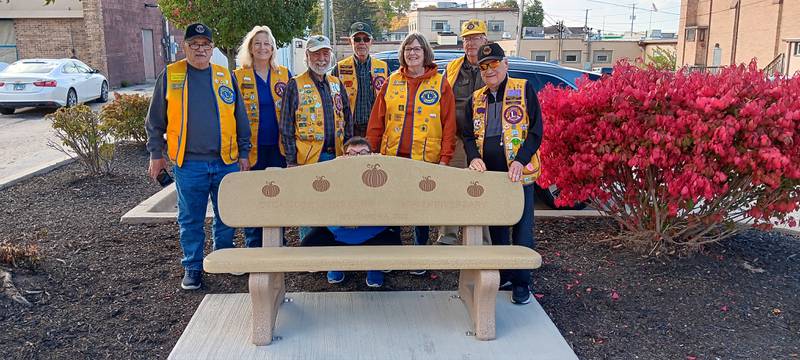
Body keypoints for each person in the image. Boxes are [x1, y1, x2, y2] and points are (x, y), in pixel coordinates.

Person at [145, 23, 252, 290]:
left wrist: (244, 152)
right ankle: (193, 266)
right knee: (190, 218)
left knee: (226, 215)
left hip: (225, 161)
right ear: (185, 47)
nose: (200, 49)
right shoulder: (171, 75)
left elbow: (240, 116)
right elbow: (155, 121)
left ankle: (223, 257)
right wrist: (155, 154)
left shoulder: (224, 75)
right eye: (195, 45)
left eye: (205, 45)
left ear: (212, 48)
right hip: (189, 163)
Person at [366, 32, 457, 271]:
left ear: (425, 52)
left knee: (421, 208)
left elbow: (449, 125)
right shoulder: (391, 80)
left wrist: (446, 158)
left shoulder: (440, 83)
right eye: (408, 50)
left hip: (425, 159)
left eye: (417, 49)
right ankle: (391, 253)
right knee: (390, 207)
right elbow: (377, 120)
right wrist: (369, 151)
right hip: (392, 157)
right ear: (402, 54)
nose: (412, 53)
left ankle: (419, 255)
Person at [463, 43, 543, 305]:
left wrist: (520, 160)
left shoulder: (523, 89)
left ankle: (521, 283)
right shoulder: (476, 98)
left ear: (505, 64)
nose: (489, 70)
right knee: (497, 229)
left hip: (518, 174)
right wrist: (474, 157)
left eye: (494, 64)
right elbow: (467, 136)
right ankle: (505, 274)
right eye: (484, 67)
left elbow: (536, 131)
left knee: (522, 229)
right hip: (492, 175)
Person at [300, 137, 401, 287]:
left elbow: (391, 208)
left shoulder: (381, 177)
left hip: (371, 231)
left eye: (363, 153)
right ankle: (336, 265)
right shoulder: (332, 176)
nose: (357, 158)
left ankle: (375, 268)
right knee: (309, 244)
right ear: (344, 156)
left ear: (372, 155)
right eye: (352, 154)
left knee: (392, 242)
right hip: (340, 230)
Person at [280, 35, 352, 241]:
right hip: (308, 158)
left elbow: (347, 117)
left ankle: (334, 248)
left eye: (325, 53)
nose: (321, 58)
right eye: (316, 53)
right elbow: (286, 125)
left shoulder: (337, 83)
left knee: (336, 204)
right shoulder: (295, 84)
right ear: (308, 56)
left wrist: (348, 150)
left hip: (337, 156)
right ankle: (309, 248)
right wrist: (291, 161)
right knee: (309, 204)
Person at [234, 25, 292, 248]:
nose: (262, 47)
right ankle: (253, 241)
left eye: (267, 43)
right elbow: (233, 116)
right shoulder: (238, 77)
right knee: (253, 197)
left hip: (278, 149)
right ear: (250, 47)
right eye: (257, 43)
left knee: (279, 195)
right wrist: (241, 152)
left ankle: (279, 239)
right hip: (252, 149)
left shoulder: (284, 75)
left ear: (273, 48)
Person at [437, 18, 492, 246]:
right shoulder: (452, 67)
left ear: (485, 39)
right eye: (467, 39)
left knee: (482, 190)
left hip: (485, 139)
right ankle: (447, 237)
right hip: (458, 138)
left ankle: (483, 242)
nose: (471, 43)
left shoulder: (492, 64)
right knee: (452, 188)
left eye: (476, 38)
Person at [331, 22, 389, 137]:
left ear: (371, 42)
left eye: (366, 39)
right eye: (357, 39)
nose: (362, 43)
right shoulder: (339, 68)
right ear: (350, 42)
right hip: (348, 130)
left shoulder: (383, 68)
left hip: (375, 129)